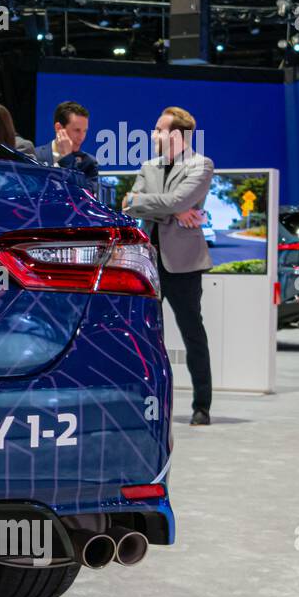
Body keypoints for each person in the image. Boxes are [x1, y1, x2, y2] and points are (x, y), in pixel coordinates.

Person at [122, 106, 215, 426]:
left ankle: (202, 405)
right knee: (145, 337)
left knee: (192, 334)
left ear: (176, 135)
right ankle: (149, 403)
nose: (154, 135)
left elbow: (177, 201)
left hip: (184, 265)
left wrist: (168, 206)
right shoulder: (149, 166)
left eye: (159, 130)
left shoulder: (201, 165)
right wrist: (173, 210)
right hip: (148, 263)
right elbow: (128, 203)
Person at [34, 101, 100, 193]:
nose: (82, 137)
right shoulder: (35, 155)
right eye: (77, 130)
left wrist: (67, 158)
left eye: (85, 131)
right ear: (58, 128)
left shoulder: (89, 163)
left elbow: (85, 196)